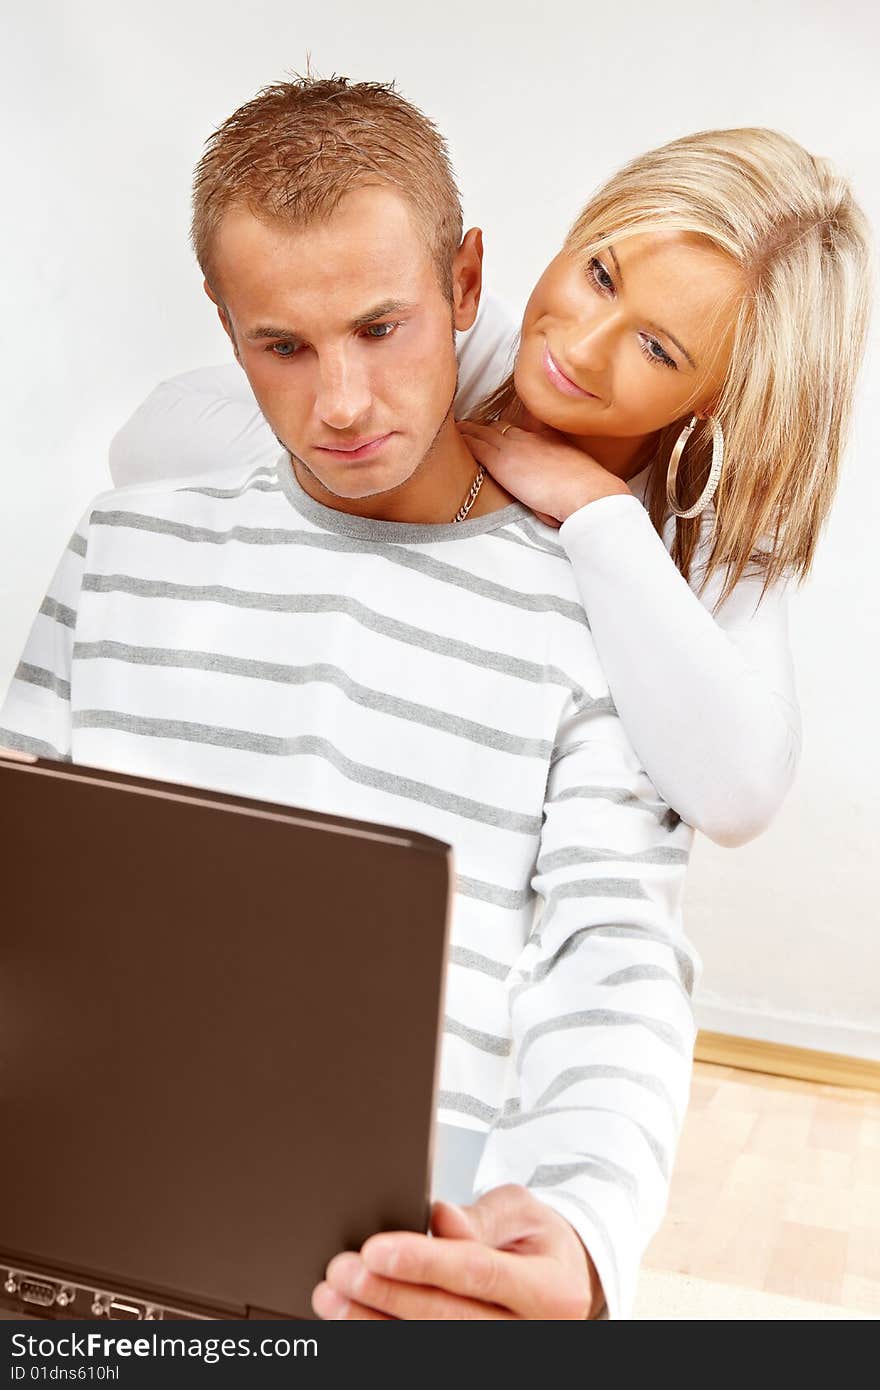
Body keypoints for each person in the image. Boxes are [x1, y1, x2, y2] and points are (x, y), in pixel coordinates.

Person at [0, 76, 698, 1321]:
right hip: (60, 1236)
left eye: (383, 328)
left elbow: (617, 959)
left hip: (376, 1284)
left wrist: (581, 1234)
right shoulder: (120, 546)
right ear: (225, 331)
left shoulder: (591, 617)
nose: (342, 405)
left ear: (466, 287)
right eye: (283, 346)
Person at [111, 129, 873, 848]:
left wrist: (598, 513)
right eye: (600, 275)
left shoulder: (709, 524)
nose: (579, 344)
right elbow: (143, 445)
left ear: (720, 393)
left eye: (656, 348)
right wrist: (417, 460)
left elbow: (737, 796)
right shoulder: (456, 346)